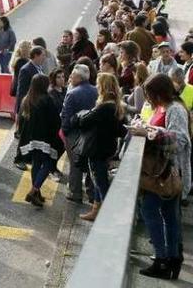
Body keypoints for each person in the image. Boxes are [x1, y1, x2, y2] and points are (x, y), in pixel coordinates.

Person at [130, 73, 191, 279]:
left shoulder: (175, 109)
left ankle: (162, 258)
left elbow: (180, 139)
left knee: (151, 211)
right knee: (169, 216)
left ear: (159, 93)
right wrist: (148, 127)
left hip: (166, 173)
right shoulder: (166, 106)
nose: (148, 98)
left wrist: (149, 132)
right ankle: (170, 260)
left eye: (149, 94)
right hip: (161, 172)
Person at [74, 73, 125, 221]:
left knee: (100, 182)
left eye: (98, 84)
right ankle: (96, 210)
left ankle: (109, 217)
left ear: (102, 87)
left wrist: (81, 115)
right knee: (98, 180)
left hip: (97, 148)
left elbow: (83, 121)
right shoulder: (116, 106)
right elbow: (120, 130)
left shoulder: (104, 107)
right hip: (108, 147)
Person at [18, 73, 63, 207]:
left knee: (36, 164)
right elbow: (55, 120)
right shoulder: (47, 99)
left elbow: (21, 120)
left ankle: (36, 193)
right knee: (49, 163)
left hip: (31, 139)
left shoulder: (27, 99)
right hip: (45, 138)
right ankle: (34, 190)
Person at [61, 64, 99, 204]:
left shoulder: (72, 93)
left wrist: (65, 132)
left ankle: (75, 192)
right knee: (90, 164)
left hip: (75, 134)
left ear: (78, 77)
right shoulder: (97, 91)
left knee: (75, 164)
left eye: (72, 75)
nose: (70, 77)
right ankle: (92, 193)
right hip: (93, 134)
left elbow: (67, 116)